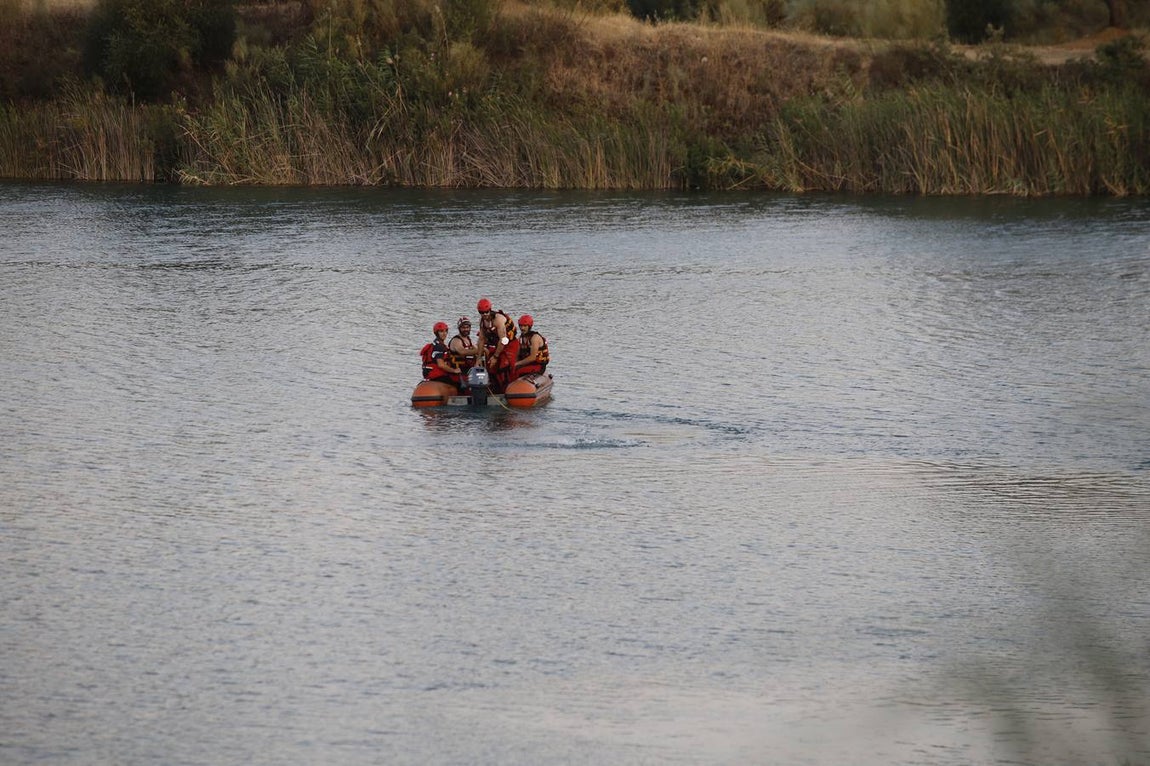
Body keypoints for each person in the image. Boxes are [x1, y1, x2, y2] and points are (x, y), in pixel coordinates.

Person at [475, 297, 519, 393]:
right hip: (497, 344)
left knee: (505, 365)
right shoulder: (482, 322)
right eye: (482, 313)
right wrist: (478, 357)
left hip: (509, 343)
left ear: (490, 310)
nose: (484, 315)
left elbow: (503, 340)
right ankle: (495, 387)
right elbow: (482, 339)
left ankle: (510, 387)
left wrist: (495, 356)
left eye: (486, 312)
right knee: (490, 366)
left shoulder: (498, 320)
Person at [420, 321, 463, 386]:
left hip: (428, 372)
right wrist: (454, 370)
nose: (444, 334)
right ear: (437, 333)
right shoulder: (439, 346)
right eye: (441, 331)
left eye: (446, 331)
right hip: (435, 374)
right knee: (459, 383)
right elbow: (441, 365)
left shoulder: (435, 344)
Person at [448, 316, 479, 380]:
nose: (466, 329)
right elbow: (462, 351)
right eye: (463, 328)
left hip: (469, 368)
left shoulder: (468, 339)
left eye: (467, 327)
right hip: (459, 369)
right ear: (459, 328)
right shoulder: (456, 340)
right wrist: (478, 351)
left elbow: (476, 349)